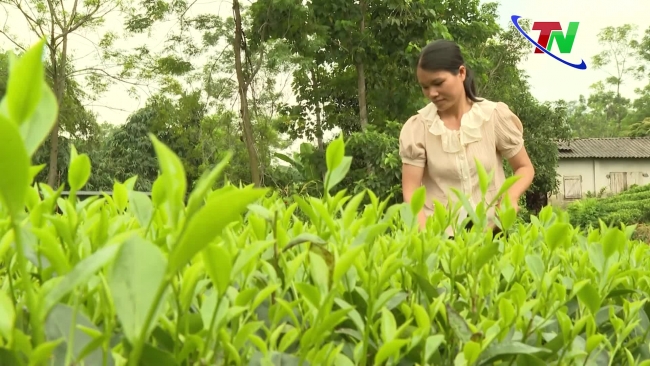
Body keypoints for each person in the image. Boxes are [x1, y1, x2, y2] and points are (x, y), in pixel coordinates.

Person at [399, 39, 535, 236]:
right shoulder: (419, 128)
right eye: (425, 87)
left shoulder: (493, 116)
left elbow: (524, 167)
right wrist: (425, 240)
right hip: (440, 237)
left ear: (461, 73)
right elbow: (411, 192)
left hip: (492, 232)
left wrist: (510, 197)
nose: (432, 93)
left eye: (438, 83)